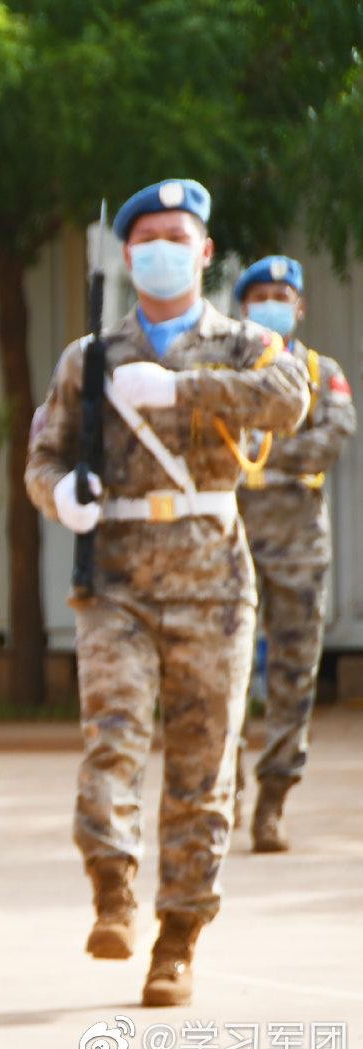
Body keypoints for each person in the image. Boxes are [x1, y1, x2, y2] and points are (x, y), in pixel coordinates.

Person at [25, 179, 309, 1007]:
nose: (161, 250)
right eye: (146, 238)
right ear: (125, 254)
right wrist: (61, 494)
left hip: (213, 582)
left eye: (177, 238)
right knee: (112, 737)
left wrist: (183, 389)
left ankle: (178, 938)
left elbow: (289, 400)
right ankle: (112, 886)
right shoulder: (90, 357)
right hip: (115, 580)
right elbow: (43, 456)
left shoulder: (246, 344)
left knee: (202, 762)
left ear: (205, 251)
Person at [232, 256, 354, 852]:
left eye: (282, 296)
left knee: (293, 676)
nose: (272, 305)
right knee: (221, 670)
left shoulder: (320, 372)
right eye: (261, 296)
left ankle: (272, 802)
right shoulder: (223, 371)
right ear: (243, 307)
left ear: (299, 307)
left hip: (300, 544)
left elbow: (332, 437)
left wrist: (259, 454)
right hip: (230, 540)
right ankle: (224, 785)